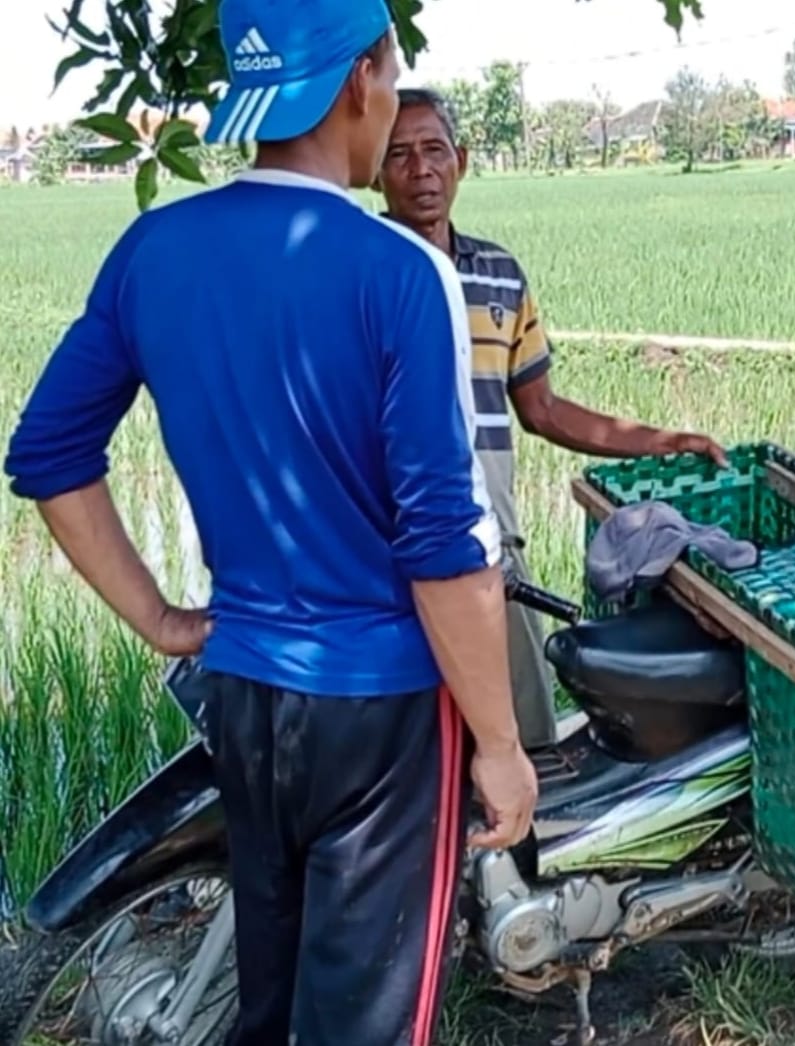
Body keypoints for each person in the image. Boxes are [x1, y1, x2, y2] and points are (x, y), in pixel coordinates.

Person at [3, 0, 537, 1042]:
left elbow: (48, 457)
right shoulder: (398, 270)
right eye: (391, 73)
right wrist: (500, 742)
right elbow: (441, 544)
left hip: (244, 694)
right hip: (379, 714)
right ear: (361, 82)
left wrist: (162, 619)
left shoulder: (154, 249)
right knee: (362, 1020)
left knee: (271, 999)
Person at [375, 87, 728, 751]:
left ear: (463, 160)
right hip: (385, 549)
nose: (420, 170)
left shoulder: (500, 277)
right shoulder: (358, 273)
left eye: (434, 150)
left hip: (489, 544)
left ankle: (514, 852)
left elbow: (541, 409)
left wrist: (660, 442)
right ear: (373, 169)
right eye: (399, 155)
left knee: (519, 733)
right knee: (405, 746)